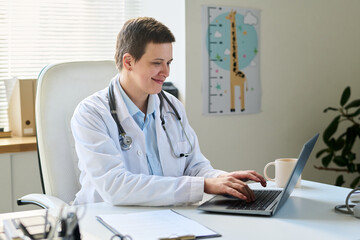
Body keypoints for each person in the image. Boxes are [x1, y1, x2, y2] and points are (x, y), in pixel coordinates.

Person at [71, 17, 266, 206]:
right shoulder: (91, 114)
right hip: (104, 220)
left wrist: (222, 179)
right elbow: (115, 187)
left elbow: (194, 166)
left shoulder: (172, 107)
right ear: (128, 62)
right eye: (157, 63)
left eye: (168, 62)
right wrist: (204, 185)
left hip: (166, 217)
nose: (166, 72)